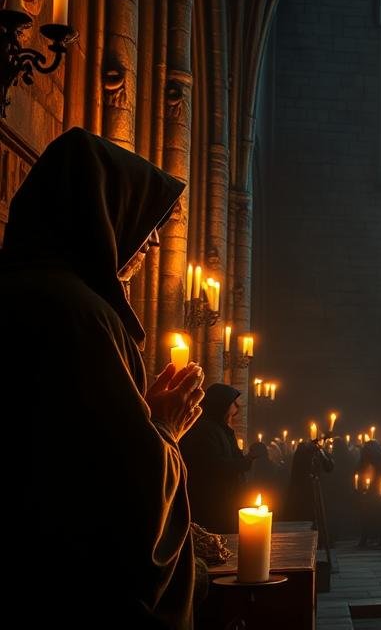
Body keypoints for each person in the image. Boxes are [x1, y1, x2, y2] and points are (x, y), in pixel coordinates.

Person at [2, 128, 204, 628]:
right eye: (139, 215)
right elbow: (122, 500)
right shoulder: (82, 316)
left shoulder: (23, 290)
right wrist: (164, 430)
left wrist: (144, 415)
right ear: (97, 211)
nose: (152, 240)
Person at [179, 383, 254, 533]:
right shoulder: (205, 430)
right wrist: (243, 463)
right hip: (212, 503)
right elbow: (213, 465)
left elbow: (232, 455)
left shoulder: (222, 429)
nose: (237, 407)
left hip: (225, 500)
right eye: (233, 403)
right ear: (222, 404)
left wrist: (246, 460)